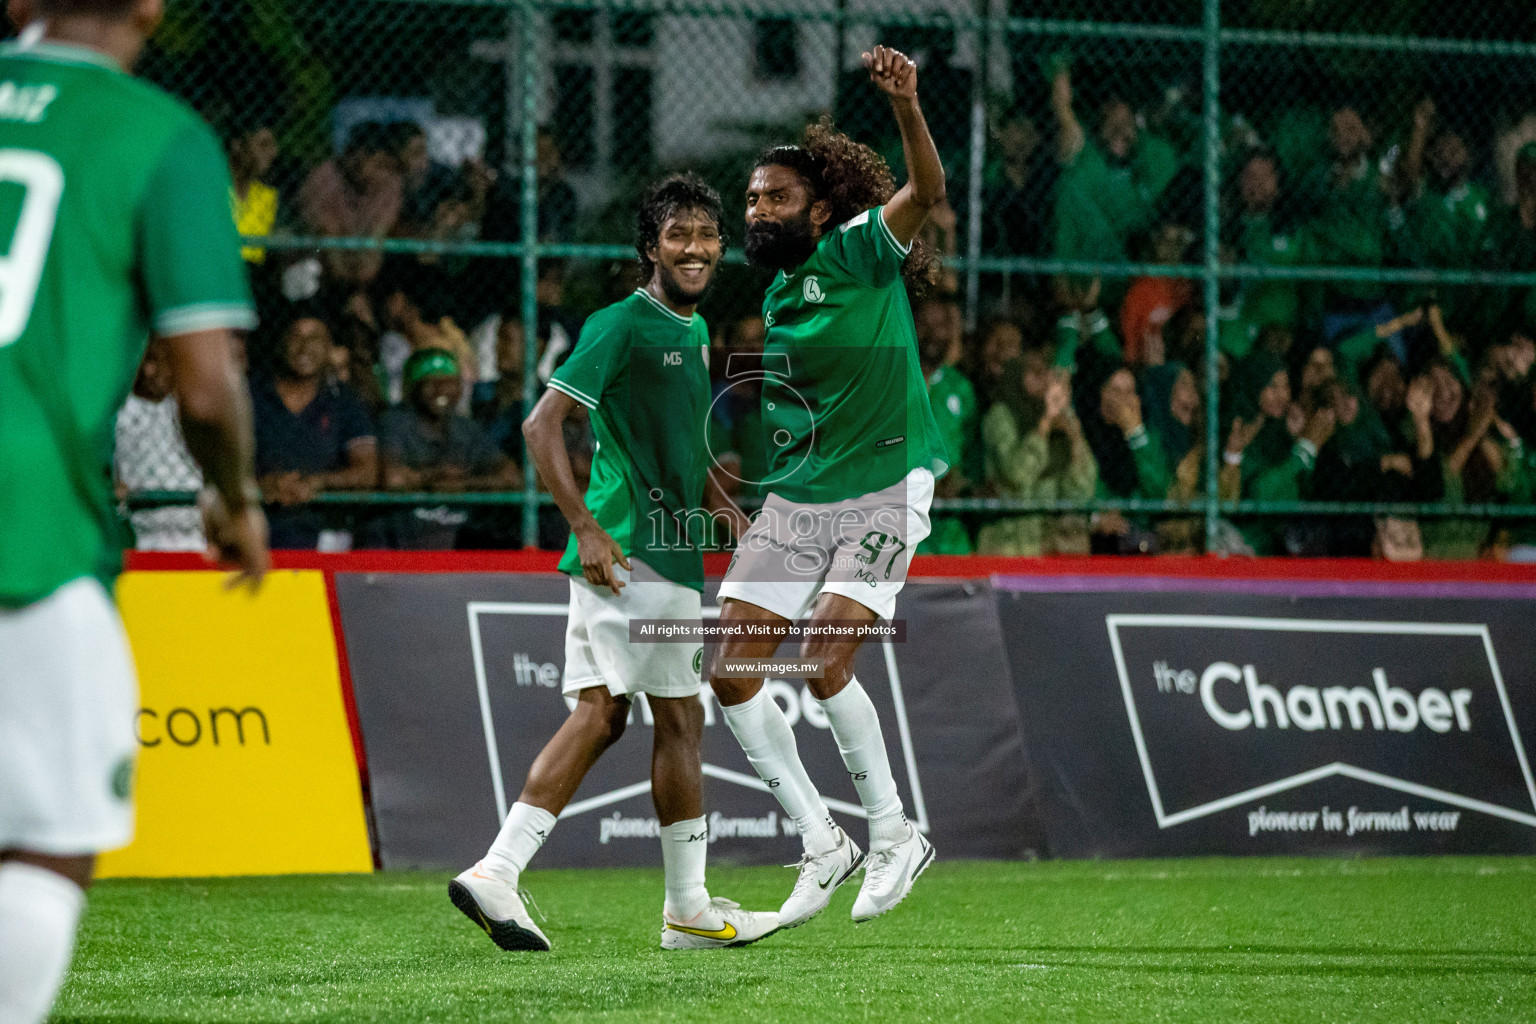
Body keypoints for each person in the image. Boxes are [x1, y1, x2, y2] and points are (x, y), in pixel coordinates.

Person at [0, 3, 268, 1022]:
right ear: (151, 7)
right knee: (49, 826)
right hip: (29, 524)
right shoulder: (160, 136)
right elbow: (203, 384)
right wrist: (236, 498)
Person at [448, 174, 778, 952]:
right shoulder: (621, 322)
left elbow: (678, 443)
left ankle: (661, 904)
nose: (695, 248)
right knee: (637, 716)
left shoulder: (692, 332)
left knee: (634, 714)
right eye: (678, 236)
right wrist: (588, 528)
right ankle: (664, 903)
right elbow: (542, 425)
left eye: (706, 235)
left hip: (665, 550)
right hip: (635, 552)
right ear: (649, 249)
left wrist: (721, 506)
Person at [709, 45, 947, 930]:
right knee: (727, 666)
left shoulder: (858, 250)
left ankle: (894, 833)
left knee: (821, 661)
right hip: (802, 498)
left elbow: (924, 191)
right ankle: (823, 841)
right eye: (751, 197)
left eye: (773, 195)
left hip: (884, 488)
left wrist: (908, 106)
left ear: (819, 206)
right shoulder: (776, 295)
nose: (756, 207)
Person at [251, 313, 378, 549]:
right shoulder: (251, 395)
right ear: (281, 343)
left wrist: (317, 483)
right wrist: (261, 486)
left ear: (329, 347)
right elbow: (214, 462)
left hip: (322, 530)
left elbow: (367, 472)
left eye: (315, 339)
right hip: (254, 526)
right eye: (296, 337)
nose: (304, 348)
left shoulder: (344, 400)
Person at [378, 348, 521, 549]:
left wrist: (465, 484)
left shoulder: (466, 429)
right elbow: (394, 479)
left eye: (449, 382)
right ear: (415, 388)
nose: (441, 389)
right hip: (405, 545)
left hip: (459, 545)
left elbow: (510, 475)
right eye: (431, 382)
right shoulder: (397, 423)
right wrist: (433, 478)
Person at [114, 337, 204, 551]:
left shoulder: (190, 410)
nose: (150, 371)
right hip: (141, 535)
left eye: (162, 361)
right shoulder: (119, 413)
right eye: (146, 361)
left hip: (195, 534)